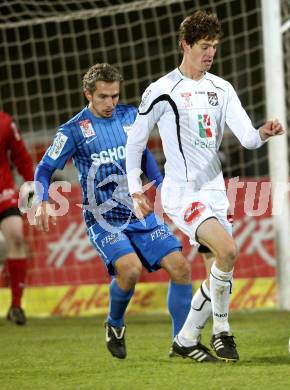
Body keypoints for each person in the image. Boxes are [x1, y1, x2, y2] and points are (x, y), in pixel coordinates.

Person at [126, 10, 284, 362]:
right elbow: (135, 143)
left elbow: (247, 139)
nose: (210, 53)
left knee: (221, 265)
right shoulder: (162, 90)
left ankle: (186, 339)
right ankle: (222, 330)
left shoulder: (222, 89)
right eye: (203, 46)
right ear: (185, 44)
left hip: (215, 191)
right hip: (182, 193)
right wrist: (136, 188)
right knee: (227, 252)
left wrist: (263, 132)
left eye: (214, 46)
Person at [33, 63, 205, 361]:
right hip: (104, 219)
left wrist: (162, 185)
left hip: (139, 211)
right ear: (87, 93)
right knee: (131, 270)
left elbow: (144, 154)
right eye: (103, 97)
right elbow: (44, 169)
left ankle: (182, 342)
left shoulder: (130, 116)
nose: (110, 103)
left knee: (181, 268)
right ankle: (114, 324)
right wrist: (42, 199)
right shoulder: (73, 130)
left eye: (114, 95)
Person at [0, 111, 34, 325]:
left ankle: (16, 306)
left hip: (3, 191)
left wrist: (33, 196)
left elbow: (22, 159)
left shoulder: (5, 122)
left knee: (17, 238)